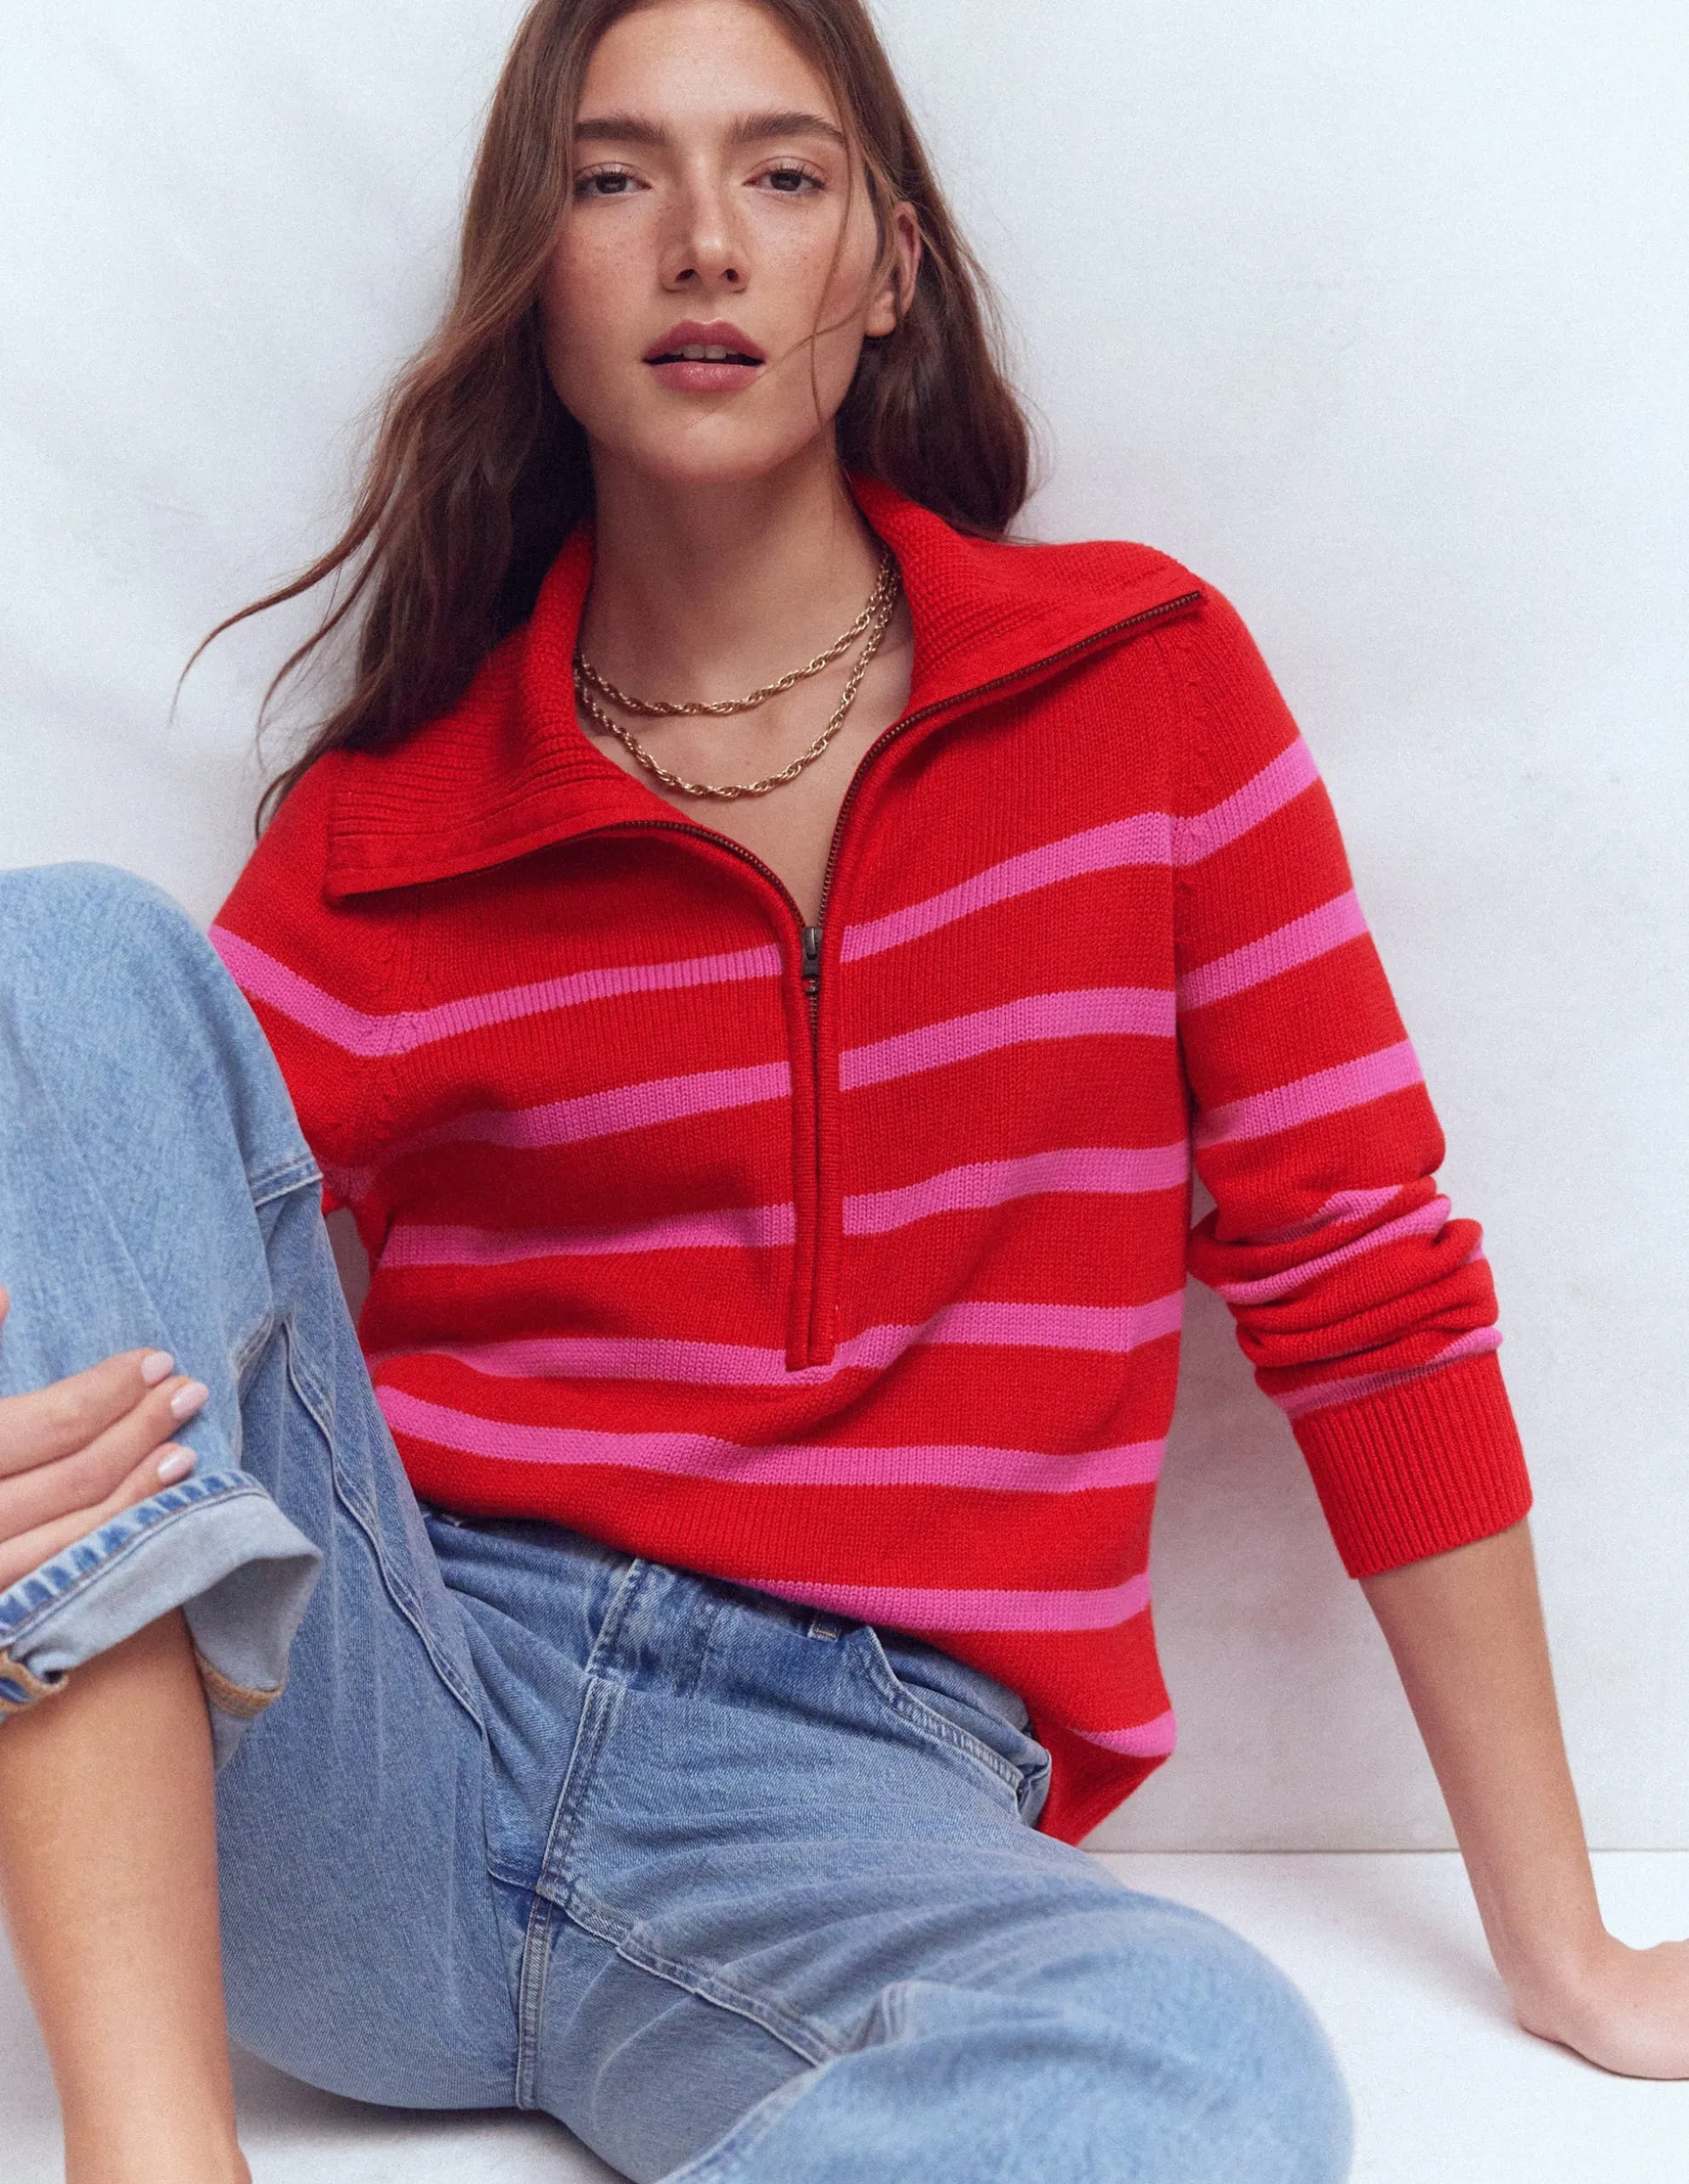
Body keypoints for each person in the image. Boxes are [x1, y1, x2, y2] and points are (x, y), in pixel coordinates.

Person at [0, 2, 1684, 2180]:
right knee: (60, 959)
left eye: (781, 174)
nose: (703, 238)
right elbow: (90, 1207)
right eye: (613, 177)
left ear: (887, 263)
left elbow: (1362, 1286)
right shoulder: (398, 826)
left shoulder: (1138, 693)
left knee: (1198, 2062)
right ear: (536, 274)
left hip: (859, 1807)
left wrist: (1563, 1947)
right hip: (384, 1731)